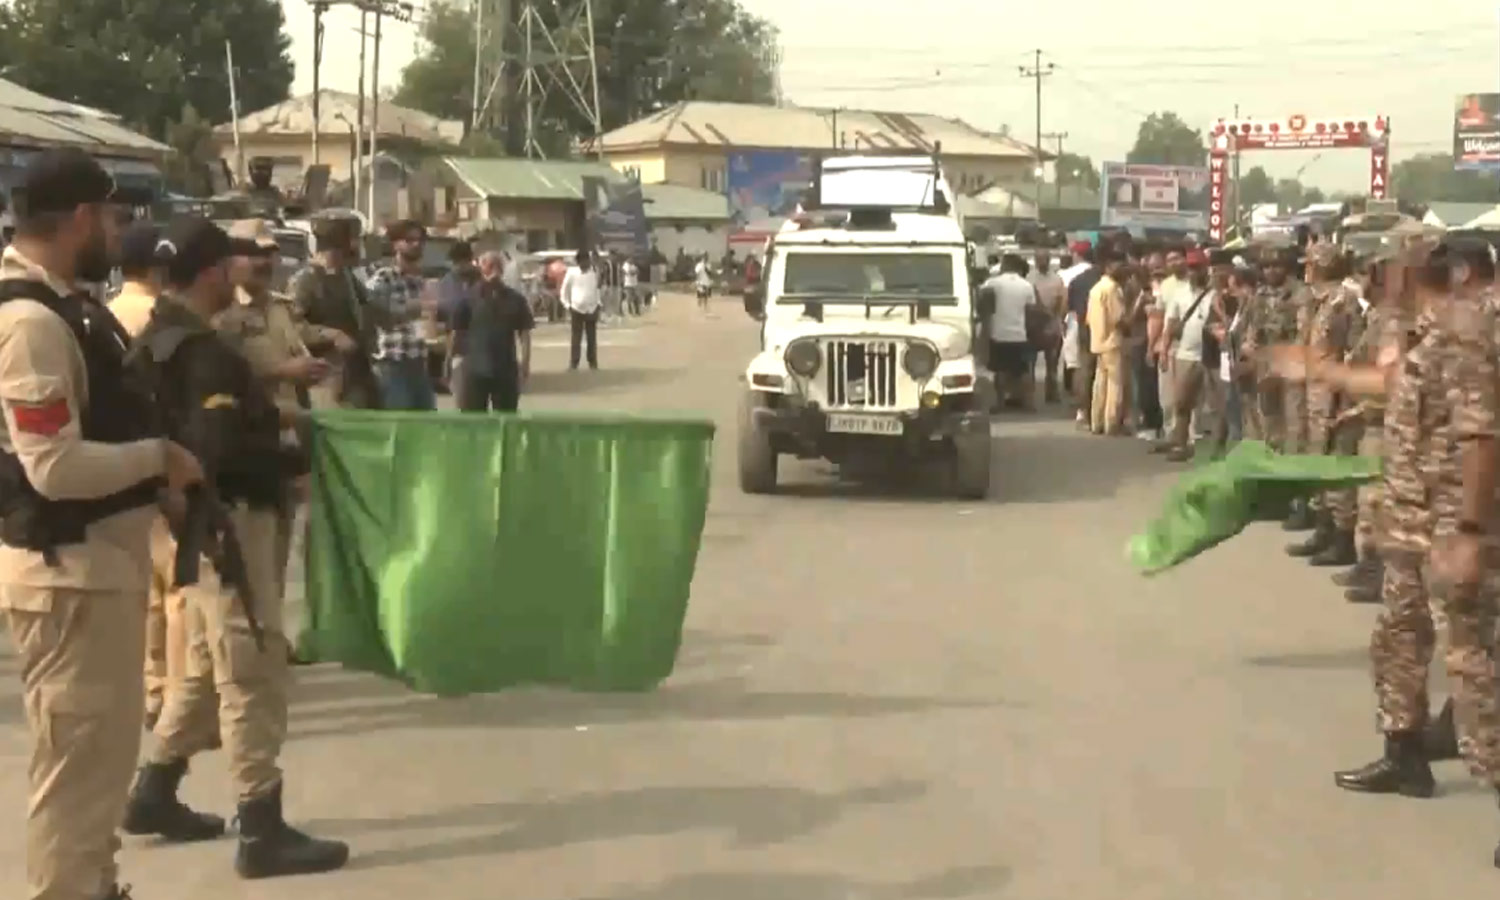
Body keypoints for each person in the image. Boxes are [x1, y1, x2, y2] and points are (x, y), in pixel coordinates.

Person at [0, 148, 204, 900]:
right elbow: (52, 467)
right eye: (114, 217)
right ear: (82, 218)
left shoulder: (63, 308)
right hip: (69, 578)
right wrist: (158, 458)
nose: (119, 234)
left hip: (95, 572)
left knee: (96, 773)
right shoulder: (28, 322)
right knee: (76, 781)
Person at [120, 217, 349, 879]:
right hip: (228, 524)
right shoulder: (205, 352)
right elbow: (219, 453)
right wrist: (290, 469)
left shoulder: (157, 341)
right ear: (215, 271)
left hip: (183, 532)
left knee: (199, 664)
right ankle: (261, 823)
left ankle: (155, 790)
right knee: (251, 668)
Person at [214, 220, 344, 656]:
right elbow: (219, 375)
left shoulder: (280, 306)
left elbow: (301, 339)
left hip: (287, 436)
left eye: (270, 253)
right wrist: (280, 372)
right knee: (247, 548)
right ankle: (250, 638)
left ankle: (272, 633)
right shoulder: (221, 312)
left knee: (281, 538)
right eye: (255, 253)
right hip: (244, 441)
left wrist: (328, 340)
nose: (265, 262)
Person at [1288, 246, 1361, 565]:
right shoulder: (1318, 300)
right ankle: (1324, 529)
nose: (1307, 270)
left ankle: (1342, 539)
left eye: (1311, 264)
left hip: (1334, 397)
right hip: (1315, 395)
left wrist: (1342, 397)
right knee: (1319, 464)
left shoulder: (1344, 303)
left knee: (1336, 468)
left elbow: (1352, 353)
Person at [289, 217, 379, 408]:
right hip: (327, 374)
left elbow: (368, 306)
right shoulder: (306, 281)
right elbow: (292, 327)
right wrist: (330, 334)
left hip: (358, 370)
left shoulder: (346, 276)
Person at [364, 219, 437, 410]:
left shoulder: (422, 282)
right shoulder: (383, 278)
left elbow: (426, 321)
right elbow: (370, 314)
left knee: (425, 427)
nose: (417, 244)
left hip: (419, 363)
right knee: (398, 426)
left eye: (421, 240)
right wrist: (408, 311)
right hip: (392, 363)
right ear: (396, 244)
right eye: (410, 239)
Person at [454, 251, 535, 412]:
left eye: (496, 265)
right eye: (489, 265)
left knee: (506, 419)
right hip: (474, 369)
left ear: (502, 269)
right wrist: (452, 363)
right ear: (481, 268)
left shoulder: (515, 299)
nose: (493, 270)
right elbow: (457, 332)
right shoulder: (469, 298)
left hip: (505, 370)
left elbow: (524, 334)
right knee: (473, 421)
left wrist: (525, 365)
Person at [1156, 250, 1215, 460]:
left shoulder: (1215, 293)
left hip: (1212, 358)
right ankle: (1180, 445)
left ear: (1205, 268)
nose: (1193, 272)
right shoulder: (1180, 293)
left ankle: (1215, 448)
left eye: (1197, 267)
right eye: (1190, 268)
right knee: (1182, 403)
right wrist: (1163, 350)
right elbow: (1170, 324)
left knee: (1215, 406)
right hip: (1186, 356)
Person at [984, 254, 1038, 411]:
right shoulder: (1026, 286)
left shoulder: (991, 284)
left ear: (1004, 266)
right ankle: (1029, 403)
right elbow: (1030, 312)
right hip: (1019, 334)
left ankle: (1000, 403)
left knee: (1000, 370)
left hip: (998, 333)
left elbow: (984, 309)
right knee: (1023, 371)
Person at [1087, 253, 1129, 435]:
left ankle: (1097, 422)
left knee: (1100, 384)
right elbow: (1119, 318)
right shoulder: (1113, 289)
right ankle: (1112, 423)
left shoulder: (1096, 288)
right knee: (1115, 385)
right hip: (1112, 341)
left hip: (1097, 341)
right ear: (1108, 267)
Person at [1066, 243, 1102, 428]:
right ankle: (1099, 414)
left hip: (1083, 328)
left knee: (1084, 371)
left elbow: (1069, 307)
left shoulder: (1076, 279)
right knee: (1104, 374)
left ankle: (1084, 413)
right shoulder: (1107, 279)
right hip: (1105, 330)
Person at [1030, 249, 1067, 403]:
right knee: (1030, 362)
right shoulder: (1029, 278)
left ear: (1049, 260)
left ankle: (1052, 392)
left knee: (1052, 362)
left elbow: (1062, 300)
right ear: (1035, 260)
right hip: (1033, 325)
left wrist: (1059, 319)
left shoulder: (1057, 279)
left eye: (1045, 259)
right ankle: (1029, 395)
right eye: (1039, 259)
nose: (1042, 262)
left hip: (1052, 324)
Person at [562, 249, 602, 371]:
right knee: (576, 338)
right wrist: (567, 304)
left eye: (588, 261)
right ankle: (574, 362)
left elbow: (597, 289)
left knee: (591, 338)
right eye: (585, 261)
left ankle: (593, 362)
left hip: (592, 308)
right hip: (576, 308)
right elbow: (564, 290)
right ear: (579, 262)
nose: (587, 263)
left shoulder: (593, 272)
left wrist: (599, 304)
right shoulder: (571, 273)